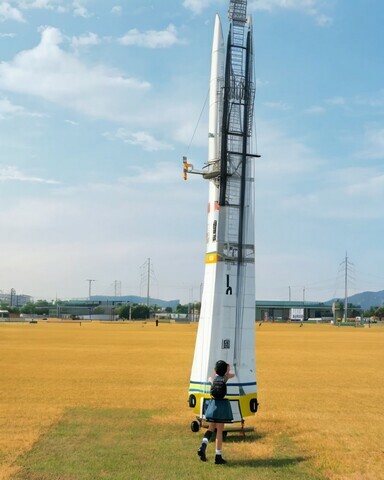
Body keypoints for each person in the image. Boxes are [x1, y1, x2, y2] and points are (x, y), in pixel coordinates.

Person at [197, 360, 235, 464]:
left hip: (212, 405)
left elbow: (210, 379)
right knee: (219, 431)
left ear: (215, 370)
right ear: (225, 370)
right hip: (222, 406)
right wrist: (229, 370)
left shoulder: (213, 379)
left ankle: (203, 446)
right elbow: (232, 375)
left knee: (210, 428)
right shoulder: (225, 378)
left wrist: (212, 377)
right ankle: (218, 456)